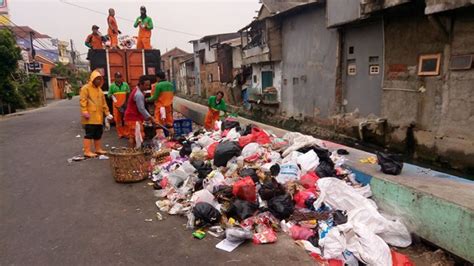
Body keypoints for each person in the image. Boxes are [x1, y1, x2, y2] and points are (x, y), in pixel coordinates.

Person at [79, 70, 113, 157]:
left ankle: (98, 149)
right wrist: (84, 111)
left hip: (98, 116)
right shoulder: (85, 88)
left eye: (100, 79)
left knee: (98, 133)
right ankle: (87, 151)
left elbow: (103, 103)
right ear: (92, 79)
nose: (98, 81)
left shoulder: (100, 90)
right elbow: (83, 101)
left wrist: (107, 112)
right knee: (89, 134)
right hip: (89, 116)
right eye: (97, 79)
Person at [124, 75, 155, 148]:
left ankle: (132, 153)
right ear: (141, 84)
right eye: (146, 85)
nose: (148, 87)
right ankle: (132, 154)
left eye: (149, 85)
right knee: (135, 136)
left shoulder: (137, 90)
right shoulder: (139, 94)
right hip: (133, 118)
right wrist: (150, 118)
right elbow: (141, 108)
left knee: (134, 136)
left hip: (132, 117)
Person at [147, 71, 174, 136]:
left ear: (158, 78)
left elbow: (154, 97)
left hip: (160, 108)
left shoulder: (158, 85)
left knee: (158, 123)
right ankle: (172, 137)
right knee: (169, 124)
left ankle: (161, 140)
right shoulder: (170, 84)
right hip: (168, 107)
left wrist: (147, 99)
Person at [107, 72, 130, 138]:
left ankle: (127, 133)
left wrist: (126, 103)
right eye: (117, 77)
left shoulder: (125, 85)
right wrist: (112, 96)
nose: (119, 78)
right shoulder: (112, 86)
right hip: (116, 107)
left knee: (126, 120)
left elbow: (128, 93)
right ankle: (120, 134)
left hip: (125, 105)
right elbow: (109, 95)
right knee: (118, 120)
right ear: (115, 78)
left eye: (120, 77)